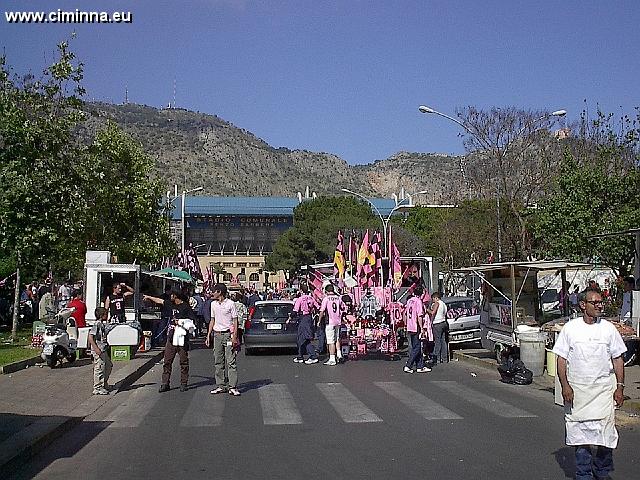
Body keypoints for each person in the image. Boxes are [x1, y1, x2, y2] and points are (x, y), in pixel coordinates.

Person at [552, 288, 627, 480]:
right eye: (595, 303)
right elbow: (560, 359)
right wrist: (565, 386)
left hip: (603, 391)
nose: (600, 306)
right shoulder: (571, 328)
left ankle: (601, 470)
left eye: (601, 302)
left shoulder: (608, 329)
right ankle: (583, 474)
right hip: (578, 392)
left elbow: (618, 359)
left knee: (606, 435)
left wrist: (620, 387)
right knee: (580, 436)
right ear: (583, 305)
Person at [144, 291, 196, 392]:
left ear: (176, 296)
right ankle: (165, 383)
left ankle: (183, 383)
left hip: (182, 338)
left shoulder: (185, 307)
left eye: (172, 295)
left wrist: (181, 322)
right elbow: (160, 301)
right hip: (171, 337)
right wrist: (149, 296)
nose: (170, 296)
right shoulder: (170, 304)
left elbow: (192, 321)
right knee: (167, 361)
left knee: (183, 361)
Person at [206, 284, 241, 396]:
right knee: (218, 361)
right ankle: (221, 385)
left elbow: (235, 320)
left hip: (228, 335)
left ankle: (233, 386)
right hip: (217, 335)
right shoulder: (213, 304)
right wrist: (208, 335)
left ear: (220, 292)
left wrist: (235, 336)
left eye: (214, 291)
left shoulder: (230, 304)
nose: (212, 293)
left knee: (231, 361)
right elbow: (212, 320)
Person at [404, 286, 430, 373]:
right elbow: (419, 316)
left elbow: (405, 314)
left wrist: (406, 324)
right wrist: (422, 328)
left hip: (410, 326)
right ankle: (408, 365)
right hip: (416, 326)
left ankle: (420, 366)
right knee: (417, 347)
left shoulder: (409, 300)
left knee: (417, 346)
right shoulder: (418, 301)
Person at [88, 307, 113, 395]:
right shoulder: (97, 324)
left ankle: (104, 383)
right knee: (99, 368)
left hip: (104, 349)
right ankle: (98, 387)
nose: (107, 316)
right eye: (106, 314)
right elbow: (90, 337)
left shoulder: (102, 324)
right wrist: (96, 348)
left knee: (108, 366)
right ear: (102, 315)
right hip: (99, 350)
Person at [319, 284, 345, 366]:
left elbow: (322, 310)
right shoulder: (338, 298)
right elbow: (343, 307)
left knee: (330, 341)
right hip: (338, 320)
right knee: (337, 338)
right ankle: (339, 354)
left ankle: (332, 358)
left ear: (326, 291)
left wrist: (319, 320)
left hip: (330, 321)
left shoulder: (326, 299)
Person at [293, 283, 318, 364]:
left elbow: (295, 311)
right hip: (309, 317)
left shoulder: (300, 299)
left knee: (303, 338)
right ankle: (300, 356)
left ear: (301, 290)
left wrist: (289, 318)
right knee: (304, 338)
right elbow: (317, 307)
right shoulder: (311, 298)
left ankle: (312, 355)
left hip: (303, 318)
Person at [428, 292, 448, 365]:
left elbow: (433, 313)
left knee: (437, 341)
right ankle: (445, 358)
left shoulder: (437, 303)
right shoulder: (444, 304)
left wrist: (427, 310)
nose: (433, 300)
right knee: (443, 341)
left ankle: (438, 358)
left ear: (436, 298)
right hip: (443, 322)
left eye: (433, 298)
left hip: (437, 323)